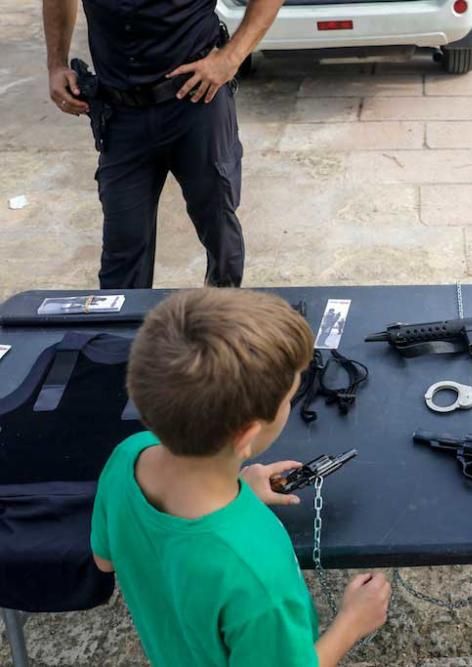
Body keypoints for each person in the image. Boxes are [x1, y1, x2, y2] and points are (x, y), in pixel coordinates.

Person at [90, 289, 390, 666]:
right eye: (290, 398)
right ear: (247, 435)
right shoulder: (254, 568)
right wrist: (352, 622)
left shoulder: (128, 456)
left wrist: (238, 492)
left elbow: (105, 560)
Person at [42, 0, 284, 288]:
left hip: (197, 102)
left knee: (219, 231)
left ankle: (220, 324)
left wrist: (232, 57)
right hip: (121, 114)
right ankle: (123, 331)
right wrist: (56, 63)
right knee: (122, 249)